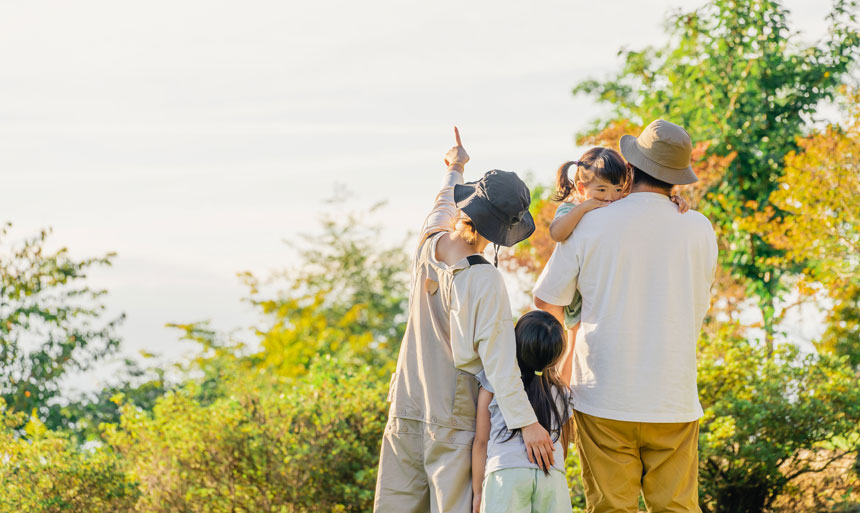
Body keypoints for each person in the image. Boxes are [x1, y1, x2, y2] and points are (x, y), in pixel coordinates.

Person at [534, 119, 718, 512]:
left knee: (610, 508)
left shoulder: (589, 223)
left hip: (601, 395)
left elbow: (547, 301)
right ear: (678, 180)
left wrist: (559, 368)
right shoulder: (700, 228)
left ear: (630, 169)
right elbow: (698, 307)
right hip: (673, 397)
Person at [373, 127, 555, 513]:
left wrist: (455, 166)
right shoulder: (483, 279)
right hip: (453, 417)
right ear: (504, 229)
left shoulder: (429, 243)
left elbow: (441, 203)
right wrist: (529, 424)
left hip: (405, 406)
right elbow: (499, 363)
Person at [548, 148, 688, 358]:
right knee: (573, 343)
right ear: (581, 188)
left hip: (598, 291)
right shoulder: (573, 208)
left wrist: (671, 201)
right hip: (574, 291)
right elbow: (557, 233)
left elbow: (648, 201)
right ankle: (562, 386)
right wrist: (585, 208)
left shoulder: (618, 203)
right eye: (601, 190)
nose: (611, 197)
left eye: (618, 189)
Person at [471, 310, 574, 513]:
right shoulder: (562, 392)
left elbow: (481, 442)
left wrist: (478, 492)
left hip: (506, 473)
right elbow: (562, 443)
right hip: (551, 475)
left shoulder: (495, 383)